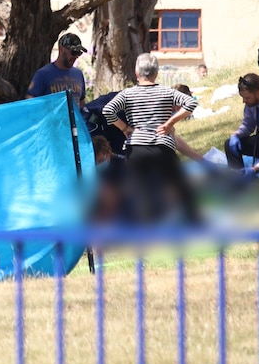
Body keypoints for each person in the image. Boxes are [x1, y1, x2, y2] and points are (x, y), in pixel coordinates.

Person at [103, 53, 199, 223]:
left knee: (141, 191)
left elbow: (107, 111)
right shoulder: (166, 91)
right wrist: (170, 122)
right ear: (156, 73)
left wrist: (124, 128)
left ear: (136, 72)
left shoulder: (128, 94)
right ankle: (196, 222)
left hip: (136, 147)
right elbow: (191, 103)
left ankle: (145, 231)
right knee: (179, 184)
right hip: (162, 145)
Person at [26, 32, 87, 109]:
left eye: (79, 53)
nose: (75, 57)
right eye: (73, 52)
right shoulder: (43, 74)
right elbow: (30, 100)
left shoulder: (78, 74)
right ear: (61, 49)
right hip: (52, 120)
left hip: (73, 121)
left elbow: (81, 101)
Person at [91, 135, 129, 223]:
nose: (97, 165)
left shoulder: (123, 164)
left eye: (100, 161)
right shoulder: (91, 167)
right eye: (95, 162)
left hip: (122, 204)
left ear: (109, 153)